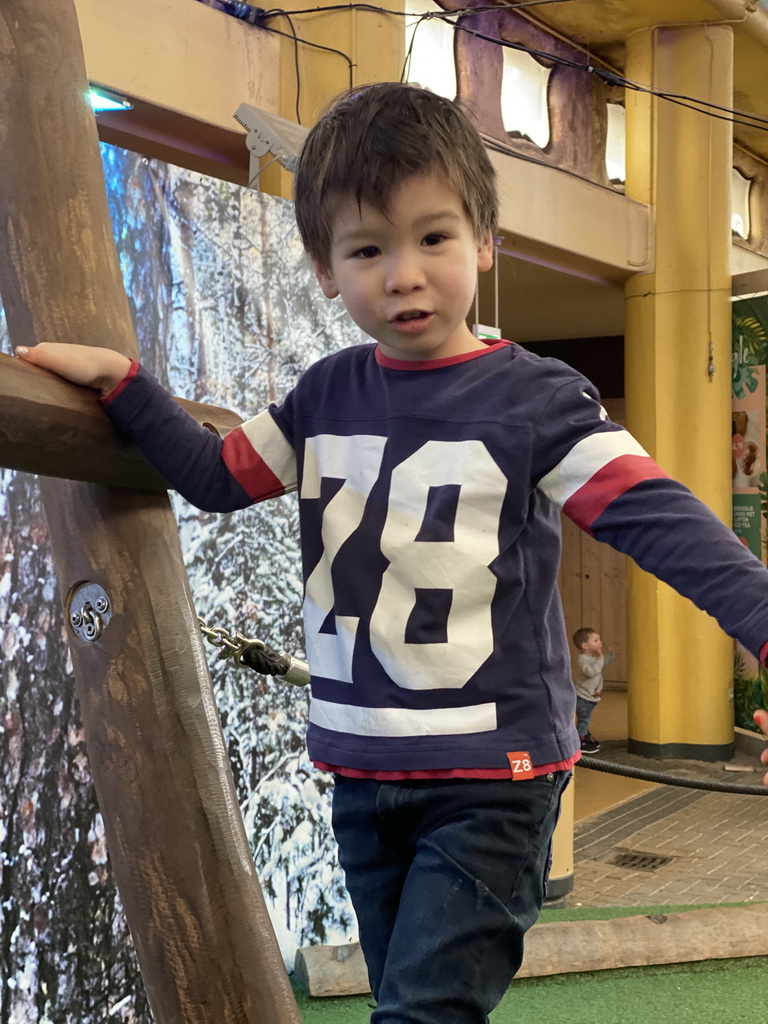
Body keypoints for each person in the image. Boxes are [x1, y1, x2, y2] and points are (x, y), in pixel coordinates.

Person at [13, 82, 768, 1024]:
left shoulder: (539, 399)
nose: (404, 274)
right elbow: (217, 476)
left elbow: (658, 518)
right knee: (406, 1003)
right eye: (368, 249)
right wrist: (128, 387)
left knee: (418, 1016)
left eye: (434, 238)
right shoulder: (323, 395)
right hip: (362, 777)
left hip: (495, 781)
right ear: (326, 269)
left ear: (486, 243)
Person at [572, 627, 615, 754]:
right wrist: (601, 657)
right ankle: (581, 741)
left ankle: (583, 733)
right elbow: (592, 672)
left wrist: (610, 656)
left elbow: (601, 663)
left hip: (590, 696)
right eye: (596, 640)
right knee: (584, 719)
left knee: (586, 719)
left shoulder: (594, 659)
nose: (600, 643)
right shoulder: (582, 659)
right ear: (585, 645)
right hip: (582, 697)